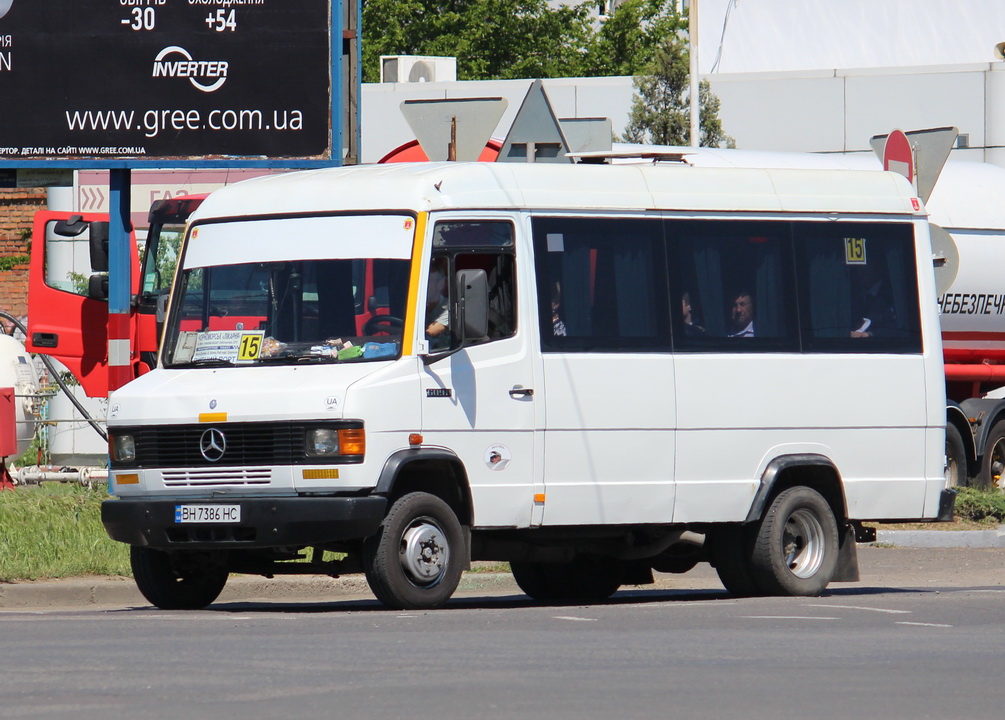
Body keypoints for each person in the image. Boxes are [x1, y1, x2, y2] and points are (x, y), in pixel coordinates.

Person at [850, 263, 896, 337]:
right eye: (858, 268)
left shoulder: (892, 294)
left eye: (864, 267)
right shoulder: (853, 295)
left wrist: (869, 334)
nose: (860, 272)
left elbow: (896, 327)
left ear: (877, 268)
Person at [425, 261, 450, 348]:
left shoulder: (450, 307)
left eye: (427, 282)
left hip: (443, 355)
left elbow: (431, 332)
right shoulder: (419, 307)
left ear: (441, 284)